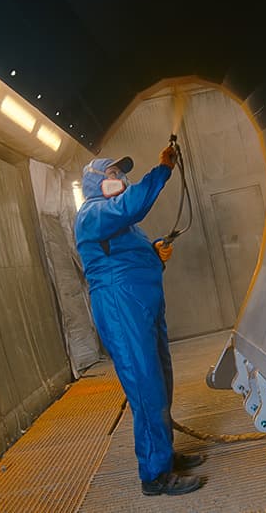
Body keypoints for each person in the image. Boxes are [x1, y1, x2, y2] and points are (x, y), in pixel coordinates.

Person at [74, 146, 204, 496]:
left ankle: (163, 453)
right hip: (122, 311)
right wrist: (163, 168)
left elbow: (127, 258)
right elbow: (134, 203)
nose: (120, 179)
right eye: (113, 174)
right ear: (94, 182)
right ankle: (155, 476)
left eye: (121, 173)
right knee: (146, 389)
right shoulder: (93, 213)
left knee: (160, 380)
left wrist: (155, 251)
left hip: (140, 307)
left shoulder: (124, 226)